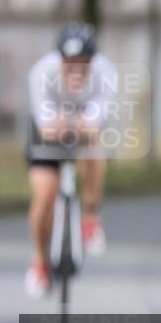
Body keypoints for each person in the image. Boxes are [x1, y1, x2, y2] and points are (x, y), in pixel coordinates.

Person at [24, 23, 116, 298]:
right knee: (44, 196)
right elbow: (47, 129)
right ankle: (40, 262)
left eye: (83, 62)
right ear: (60, 59)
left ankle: (90, 216)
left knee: (94, 150)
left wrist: (72, 123)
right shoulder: (41, 73)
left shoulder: (106, 73)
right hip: (46, 137)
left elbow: (96, 126)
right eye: (70, 62)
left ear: (93, 60)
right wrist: (74, 123)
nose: (76, 69)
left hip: (80, 130)